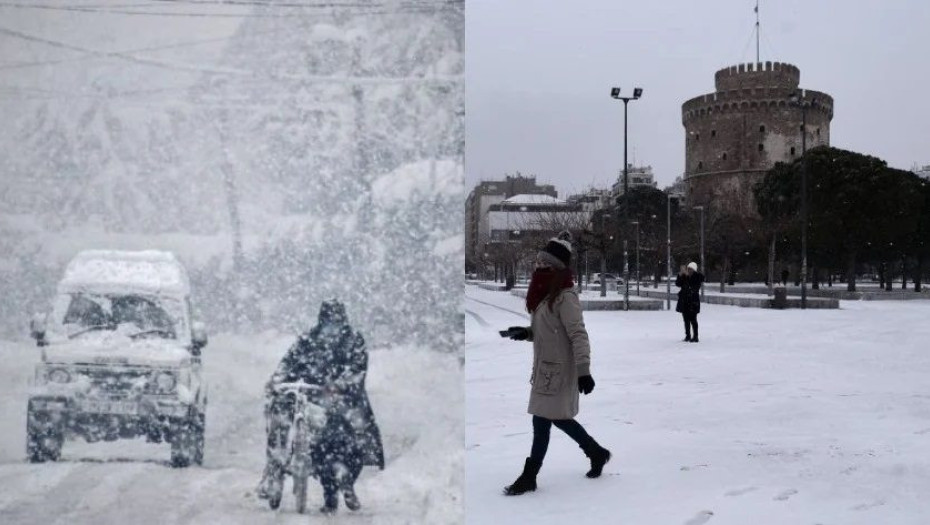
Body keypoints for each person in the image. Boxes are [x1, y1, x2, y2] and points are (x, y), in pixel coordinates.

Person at [502, 231, 611, 496]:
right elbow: (546, 331)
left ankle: (530, 476)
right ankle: (596, 452)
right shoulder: (546, 294)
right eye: (538, 262)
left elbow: (578, 335)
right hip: (546, 369)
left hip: (560, 371)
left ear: (556, 267)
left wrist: (584, 372)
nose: (538, 266)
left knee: (544, 421)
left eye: (544, 263)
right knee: (555, 419)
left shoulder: (565, 297)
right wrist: (525, 332)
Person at [258, 299, 385, 514]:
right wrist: (278, 381)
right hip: (311, 397)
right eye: (329, 322)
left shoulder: (346, 341)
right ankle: (329, 481)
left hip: (344, 401)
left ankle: (338, 485)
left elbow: (356, 371)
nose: (331, 328)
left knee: (339, 442)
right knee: (286, 419)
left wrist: (337, 386)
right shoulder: (313, 339)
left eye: (334, 322)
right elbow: (288, 362)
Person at [675, 262, 704, 343]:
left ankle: (696, 336)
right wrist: (680, 275)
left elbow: (695, 287)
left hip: (693, 301)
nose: (689, 270)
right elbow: (678, 284)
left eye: (691, 268)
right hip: (685, 301)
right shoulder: (685, 276)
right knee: (686, 320)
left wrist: (688, 282)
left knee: (693, 319)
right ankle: (688, 336)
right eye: (688, 268)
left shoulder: (697, 277)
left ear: (694, 269)